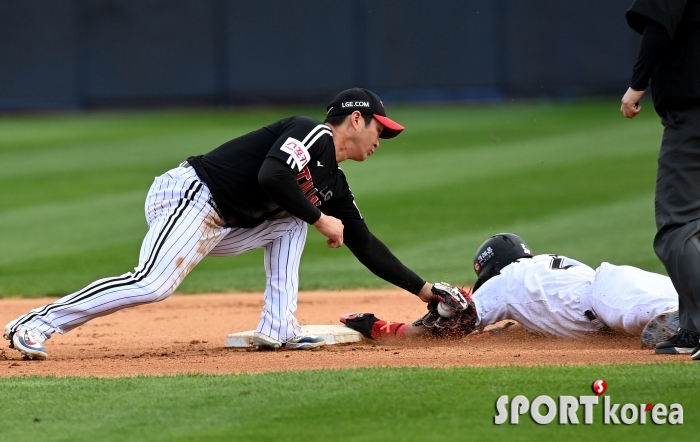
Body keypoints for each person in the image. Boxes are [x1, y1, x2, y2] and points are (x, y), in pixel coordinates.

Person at [3, 88, 445, 359]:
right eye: (378, 129)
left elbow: (364, 243)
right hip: (191, 194)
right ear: (355, 119)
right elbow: (271, 174)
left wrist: (426, 292)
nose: (380, 140)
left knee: (296, 220)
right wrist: (318, 219)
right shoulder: (312, 132)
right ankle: (34, 324)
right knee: (153, 284)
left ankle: (279, 328)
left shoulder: (335, 183)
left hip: (226, 221)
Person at [341, 233, 679, 348]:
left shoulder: (506, 281)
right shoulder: (536, 273)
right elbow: (518, 331)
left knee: (642, 313)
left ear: (491, 271)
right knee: (676, 300)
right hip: (617, 283)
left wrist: (379, 327)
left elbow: (443, 329)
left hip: (606, 296)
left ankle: (684, 323)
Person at [620, 0, 700, 359]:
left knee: (677, 226)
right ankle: (692, 331)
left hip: (692, 115)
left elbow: (658, 28)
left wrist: (637, 85)